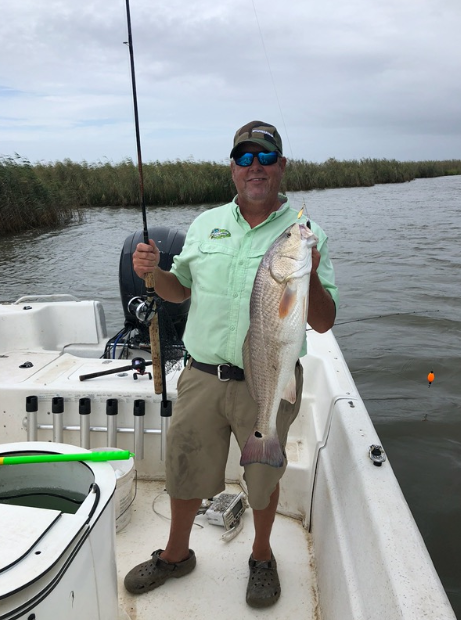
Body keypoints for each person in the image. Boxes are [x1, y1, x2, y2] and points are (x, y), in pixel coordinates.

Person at [124, 120, 338, 608]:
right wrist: (154, 272)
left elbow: (323, 323)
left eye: (265, 158)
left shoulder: (307, 234)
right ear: (233, 169)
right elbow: (177, 291)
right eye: (244, 158)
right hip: (202, 375)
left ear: (282, 166)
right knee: (183, 467)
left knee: (263, 479)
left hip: (268, 378)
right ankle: (177, 553)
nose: (254, 167)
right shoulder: (204, 224)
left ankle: (261, 556)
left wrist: (308, 273)